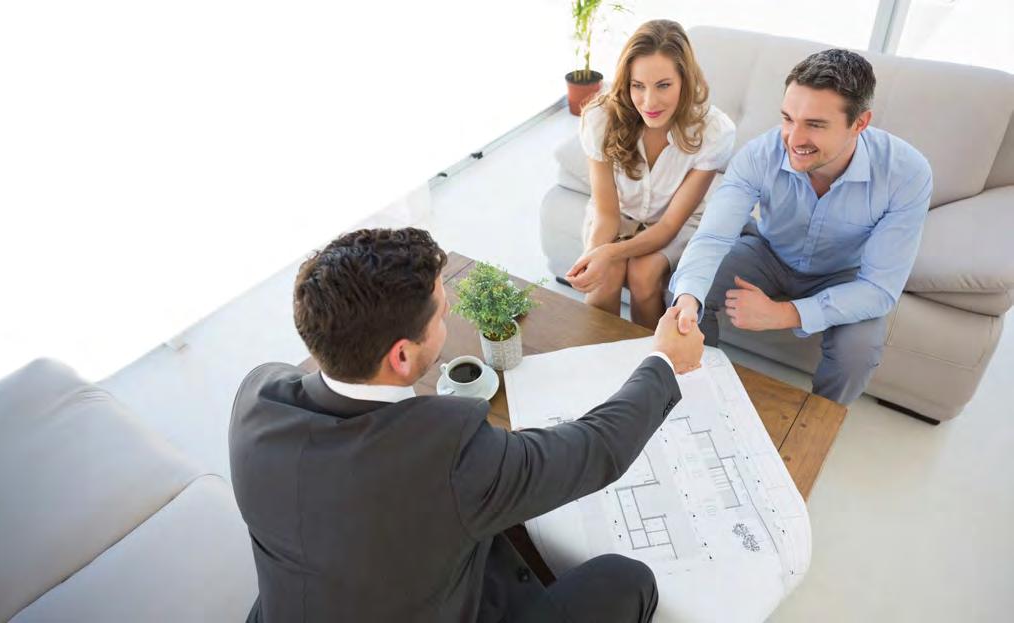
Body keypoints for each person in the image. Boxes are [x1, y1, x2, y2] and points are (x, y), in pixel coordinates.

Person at [228, 227, 704, 622]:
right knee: (625, 582)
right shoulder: (449, 455)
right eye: (442, 313)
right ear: (401, 355)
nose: (449, 316)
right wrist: (664, 360)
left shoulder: (256, 399)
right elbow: (598, 449)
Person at [669, 49, 933, 405]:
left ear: (860, 123)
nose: (793, 138)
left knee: (858, 349)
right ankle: (702, 397)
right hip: (769, 253)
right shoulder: (758, 155)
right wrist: (688, 300)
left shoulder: (907, 173)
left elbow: (879, 289)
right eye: (788, 119)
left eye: (815, 124)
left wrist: (783, 314)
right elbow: (712, 237)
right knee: (684, 295)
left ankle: (819, 421)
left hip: (844, 274)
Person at [566, 19, 736, 329]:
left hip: (677, 223)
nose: (649, 102)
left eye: (663, 85)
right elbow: (607, 213)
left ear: (685, 80)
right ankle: (599, 353)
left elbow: (670, 225)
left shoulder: (713, 131)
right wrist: (594, 258)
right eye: (638, 86)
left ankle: (652, 353)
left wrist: (611, 253)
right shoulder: (600, 118)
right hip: (620, 214)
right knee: (605, 276)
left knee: (643, 275)